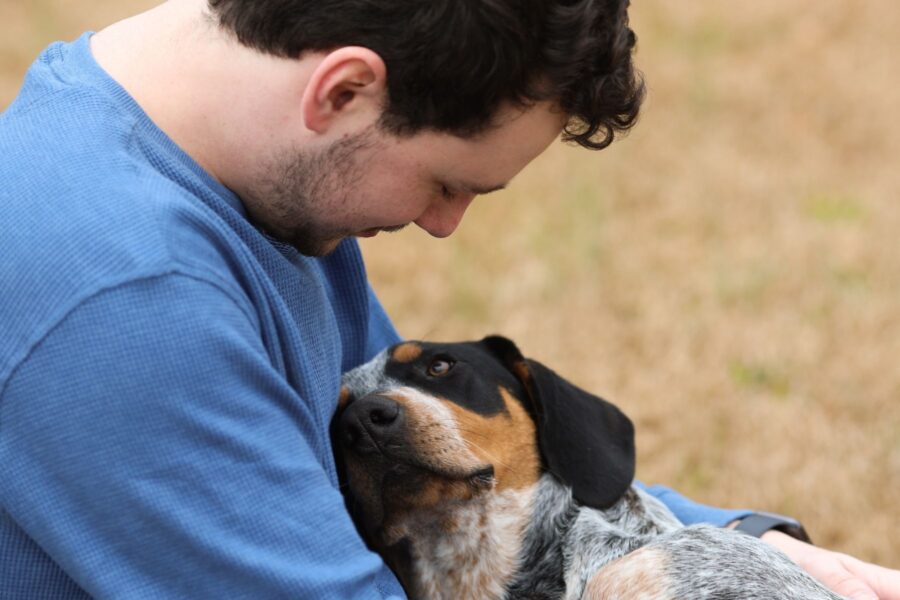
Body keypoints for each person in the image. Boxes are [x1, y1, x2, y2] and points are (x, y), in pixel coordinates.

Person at [0, 0, 896, 598]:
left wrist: (744, 545)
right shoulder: (128, 298)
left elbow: (473, 465)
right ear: (344, 90)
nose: (443, 225)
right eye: (446, 183)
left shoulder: (243, 182)